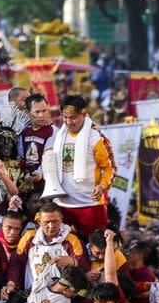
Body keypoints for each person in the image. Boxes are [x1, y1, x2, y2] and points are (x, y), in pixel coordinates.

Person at [44, 94, 116, 238]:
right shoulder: (58, 136)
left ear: (84, 114)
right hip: (62, 205)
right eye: (65, 117)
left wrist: (102, 186)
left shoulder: (96, 138)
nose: (68, 122)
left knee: (96, 252)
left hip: (90, 206)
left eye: (73, 117)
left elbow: (111, 168)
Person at [3, 201, 90, 298]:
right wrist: (11, 284)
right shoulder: (29, 238)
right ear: (39, 221)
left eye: (55, 221)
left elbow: (86, 268)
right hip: (32, 296)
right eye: (46, 222)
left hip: (61, 299)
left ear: (61, 219)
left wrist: (72, 262)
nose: (51, 226)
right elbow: (16, 263)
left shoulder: (72, 240)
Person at [17, 93, 54, 192]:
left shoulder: (53, 130)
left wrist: (39, 174)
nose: (41, 115)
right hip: (26, 186)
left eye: (44, 111)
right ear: (27, 112)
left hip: (47, 186)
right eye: (37, 112)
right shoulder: (24, 132)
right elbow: (20, 157)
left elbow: (51, 158)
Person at [0, 211, 24, 292]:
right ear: (1, 226)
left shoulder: (22, 243)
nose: (12, 232)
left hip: (17, 289)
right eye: (9, 228)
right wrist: (8, 288)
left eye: (17, 229)